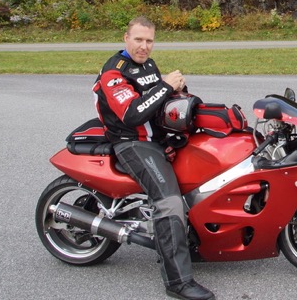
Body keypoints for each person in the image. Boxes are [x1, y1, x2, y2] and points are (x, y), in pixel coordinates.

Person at [93, 16, 216, 300]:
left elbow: (156, 101)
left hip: (155, 138)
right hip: (132, 143)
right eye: (138, 40)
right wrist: (164, 86)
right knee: (169, 201)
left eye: (149, 41)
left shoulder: (147, 65)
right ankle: (178, 281)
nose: (144, 46)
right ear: (126, 38)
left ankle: (194, 241)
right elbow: (132, 114)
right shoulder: (114, 72)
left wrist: (176, 90)